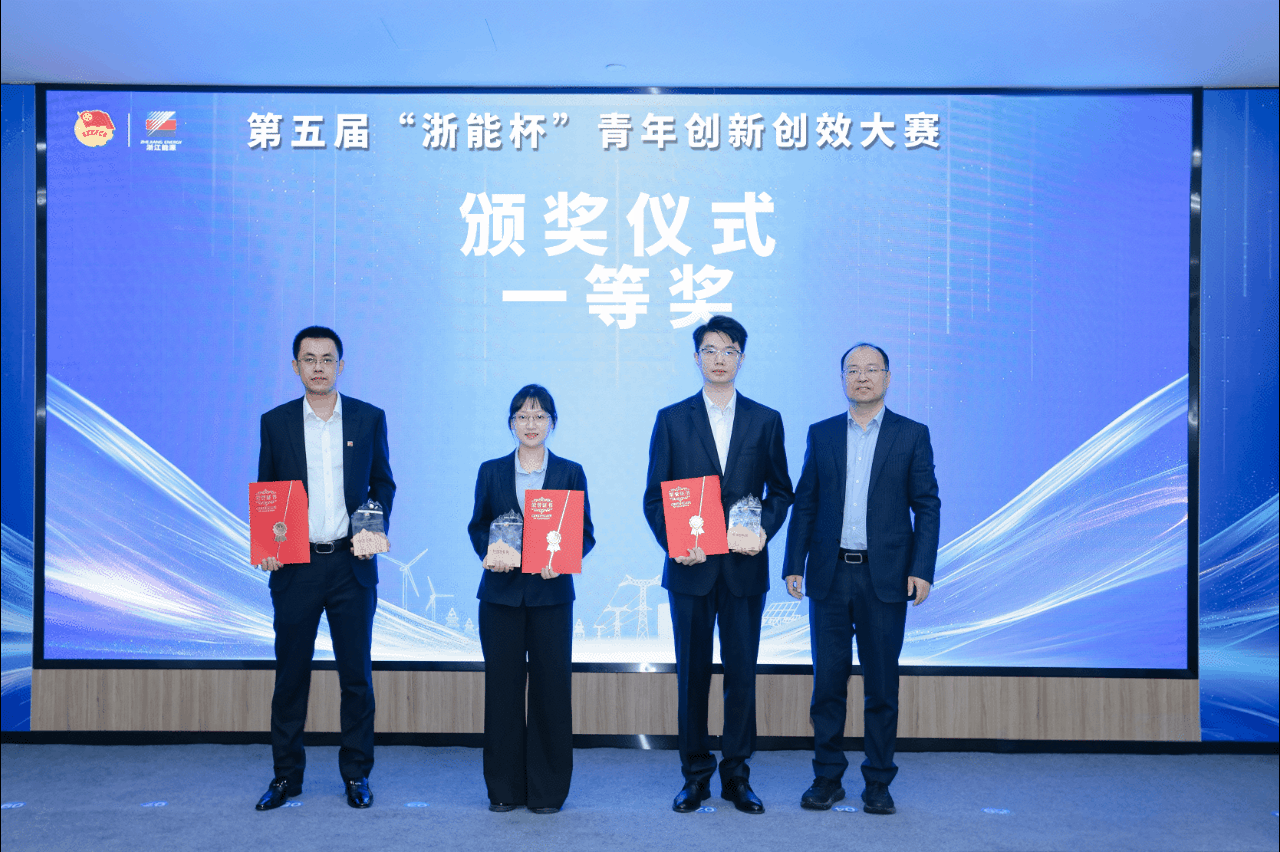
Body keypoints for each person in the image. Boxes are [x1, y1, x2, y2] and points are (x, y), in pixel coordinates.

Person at [643, 316, 794, 814]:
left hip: (744, 570)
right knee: (692, 675)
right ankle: (694, 775)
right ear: (696, 358)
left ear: (742, 358)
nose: (719, 358)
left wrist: (763, 529)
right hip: (691, 568)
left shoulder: (765, 419)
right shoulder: (671, 419)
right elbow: (654, 497)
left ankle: (737, 775)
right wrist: (674, 543)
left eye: (729, 350)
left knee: (741, 675)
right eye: (710, 350)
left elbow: (781, 491)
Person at [783, 343, 940, 815]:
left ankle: (878, 782)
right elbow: (806, 502)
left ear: (888, 378)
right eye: (853, 369)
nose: (862, 376)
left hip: (885, 577)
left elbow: (926, 505)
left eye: (872, 369)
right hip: (829, 576)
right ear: (842, 379)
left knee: (881, 686)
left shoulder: (912, 434)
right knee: (828, 685)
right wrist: (794, 563)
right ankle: (827, 777)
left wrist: (922, 568)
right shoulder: (822, 433)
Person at [254, 326, 395, 811]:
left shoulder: (368, 418)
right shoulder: (275, 423)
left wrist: (374, 526)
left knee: (356, 677)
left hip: (352, 566)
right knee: (290, 676)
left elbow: (382, 483)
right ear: (295, 367)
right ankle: (285, 777)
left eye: (327, 358)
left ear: (341, 365)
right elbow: (268, 489)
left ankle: (357, 774)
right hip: (296, 566)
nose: (318, 366)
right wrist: (267, 543)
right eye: (309, 359)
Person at [467, 384, 595, 815]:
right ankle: (504, 788)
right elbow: (478, 526)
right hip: (500, 597)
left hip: (551, 596)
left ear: (552, 423)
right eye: (522, 416)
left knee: (550, 692)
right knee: (502, 692)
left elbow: (585, 532)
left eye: (540, 416)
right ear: (511, 423)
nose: (531, 423)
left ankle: (547, 792)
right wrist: (490, 553)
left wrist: (564, 558)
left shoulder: (570, 472)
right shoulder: (491, 471)